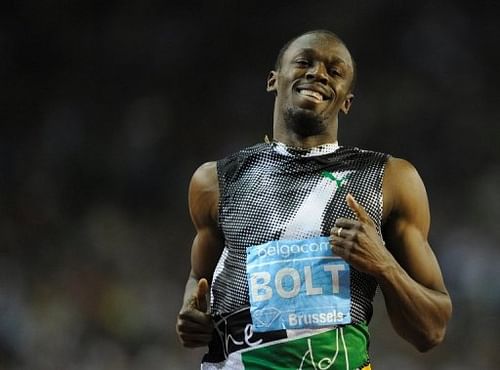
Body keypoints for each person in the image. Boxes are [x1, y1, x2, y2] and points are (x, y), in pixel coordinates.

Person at [176, 29, 452, 369]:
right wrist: (192, 312)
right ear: (273, 80)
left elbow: (432, 330)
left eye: (335, 72)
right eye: (304, 62)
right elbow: (198, 279)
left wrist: (383, 263)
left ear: (346, 101)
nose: (318, 73)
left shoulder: (391, 179)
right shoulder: (215, 181)